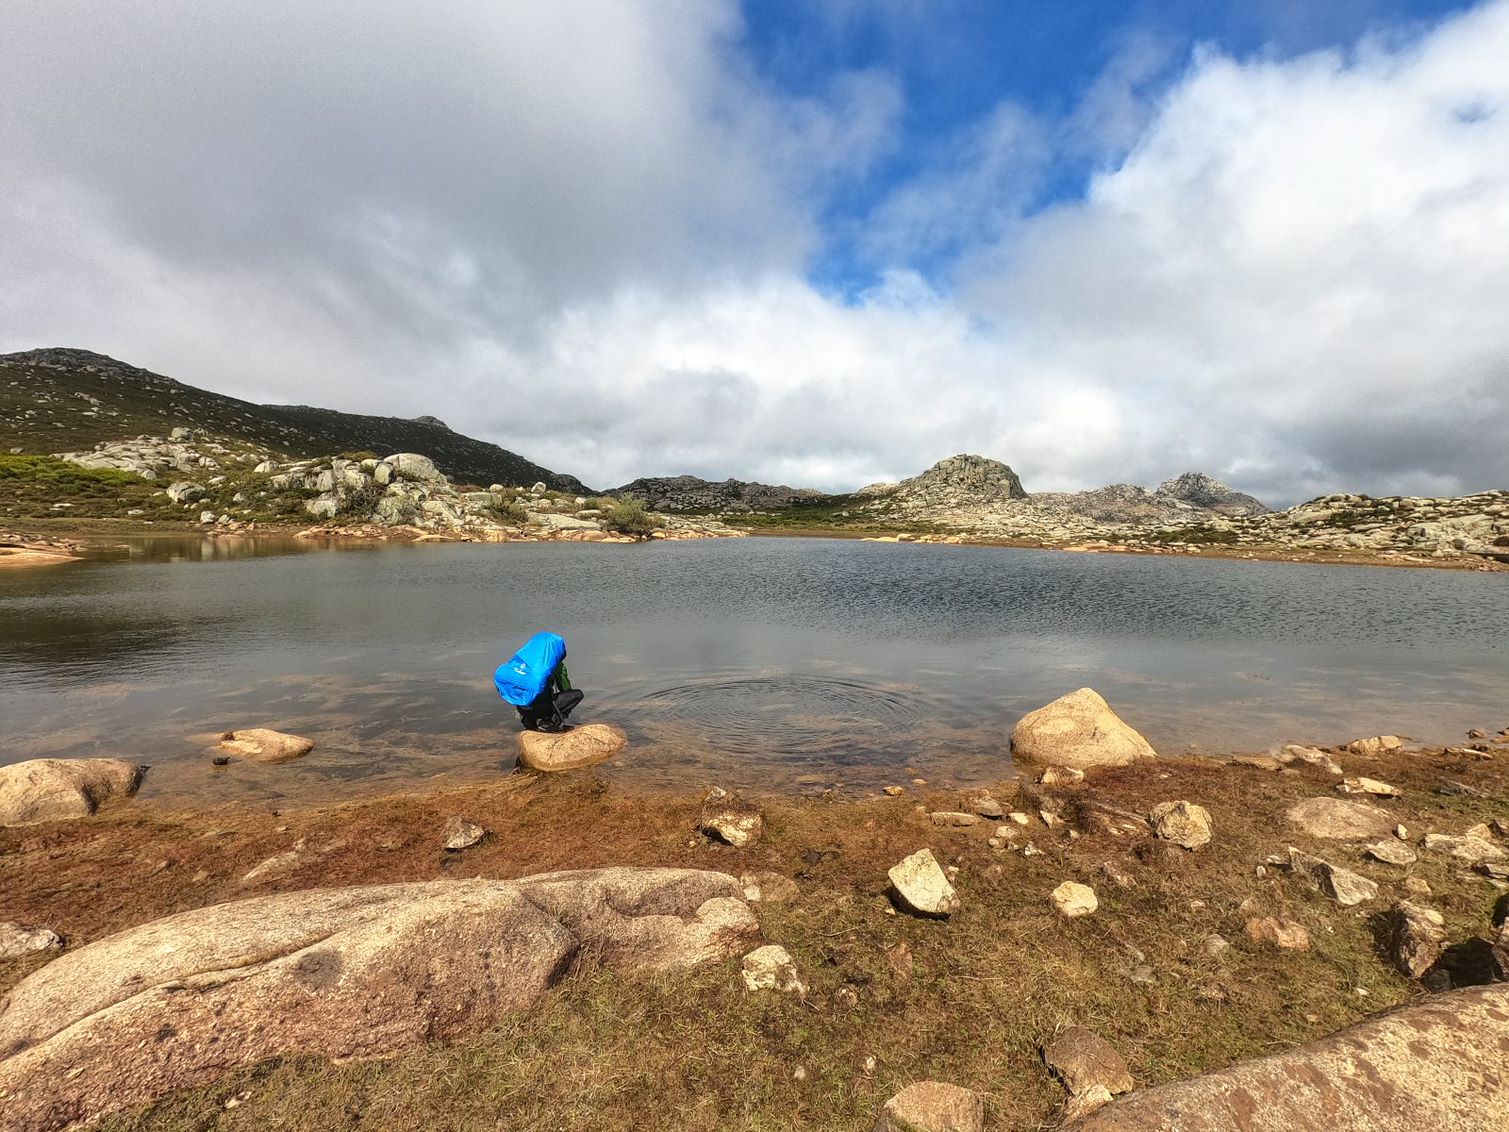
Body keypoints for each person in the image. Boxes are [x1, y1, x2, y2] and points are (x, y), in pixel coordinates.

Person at [493, 630, 584, 732]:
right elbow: (566, 688)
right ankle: (548, 723)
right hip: (538, 709)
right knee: (577, 695)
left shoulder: (522, 662)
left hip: (522, 708)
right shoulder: (555, 666)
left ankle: (529, 721)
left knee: (532, 695)